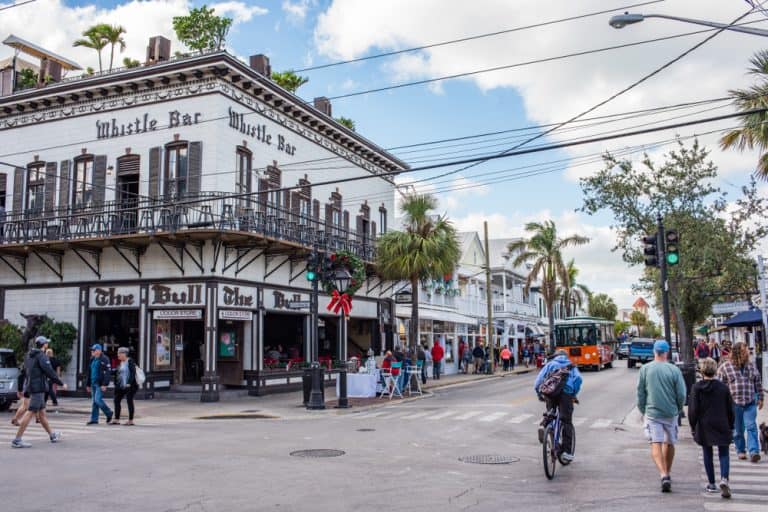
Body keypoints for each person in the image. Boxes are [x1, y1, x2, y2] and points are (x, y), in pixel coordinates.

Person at [636, 340, 686, 493]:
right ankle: (668, 472)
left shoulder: (645, 369)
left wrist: (643, 409)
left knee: (655, 442)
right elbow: (681, 393)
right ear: (667, 352)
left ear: (654, 352)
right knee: (669, 442)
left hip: (652, 412)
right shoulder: (674, 370)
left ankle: (663, 474)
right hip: (670, 412)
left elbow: (640, 393)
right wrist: (678, 408)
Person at [688, 357, 734, 498]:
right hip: (721, 422)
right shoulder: (723, 388)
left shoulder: (696, 388)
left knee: (707, 453)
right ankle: (724, 479)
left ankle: (712, 484)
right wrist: (731, 425)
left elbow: (693, 409)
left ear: (702, 371)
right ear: (715, 370)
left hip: (704, 423)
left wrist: (693, 425)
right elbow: (730, 409)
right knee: (724, 453)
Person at [11, 336, 66, 448]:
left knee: (41, 414)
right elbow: (50, 371)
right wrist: (61, 383)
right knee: (30, 412)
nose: (47, 345)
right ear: (44, 345)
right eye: (46, 343)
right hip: (38, 388)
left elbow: (24, 372)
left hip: (32, 387)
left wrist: (22, 389)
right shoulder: (42, 356)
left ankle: (52, 435)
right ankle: (17, 439)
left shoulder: (29, 355)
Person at [717, 341, 764, 463]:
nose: (748, 352)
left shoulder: (751, 366)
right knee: (738, 430)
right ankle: (741, 450)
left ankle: (754, 451)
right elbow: (720, 386)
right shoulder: (725, 367)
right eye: (745, 350)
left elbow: (758, 382)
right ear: (739, 352)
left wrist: (761, 398)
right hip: (734, 403)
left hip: (750, 402)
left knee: (751, 426)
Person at [534, 349, 582, 462]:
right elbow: (579, 379)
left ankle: (546, 428)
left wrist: (539, 393)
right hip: (566, 395)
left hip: (551, 394)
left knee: (550, 414)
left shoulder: (550, 364)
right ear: (566, 357)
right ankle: (566, 452)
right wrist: (573, 394)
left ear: (556, 356)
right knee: (566, 421)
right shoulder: (572, 366)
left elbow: (538, 381)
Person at [85, 343, 113, 425]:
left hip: (100, 384)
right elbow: (89, 372)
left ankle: (109, 413)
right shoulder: (92, 359)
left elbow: (108, 372)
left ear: (99, 351)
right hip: (93, 382)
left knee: (97, 400)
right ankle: (94, 419)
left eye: (94, 350)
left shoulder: (104, 359)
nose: (92, 352)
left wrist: (105, 384)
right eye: (92, 350)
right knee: (94, 402)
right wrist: (88, 384)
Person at [112, 347, 138, 426]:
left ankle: (130, 420)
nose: (118, 355)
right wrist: (116, 383)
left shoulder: (130, 361)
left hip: (130, 386)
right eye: (118, 353)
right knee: (116, 400)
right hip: (121, 386)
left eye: (119, 353)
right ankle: (116, 419)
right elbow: (117, 374)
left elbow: (133, 373)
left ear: (124, 354)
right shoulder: (121, 363)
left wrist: (129, 383)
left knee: (129, 401)